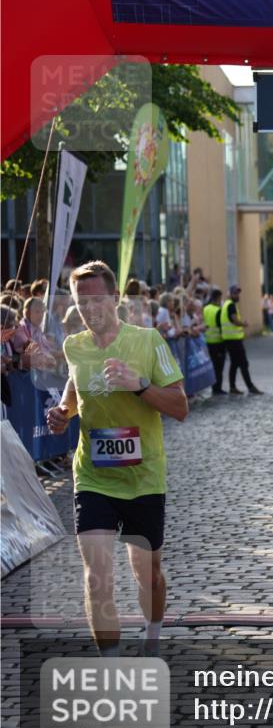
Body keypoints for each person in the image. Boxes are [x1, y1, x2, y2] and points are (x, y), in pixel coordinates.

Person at [46, 261, 188, 657]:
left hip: (144, 477)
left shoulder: (148, 341)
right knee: (97, 576)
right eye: (81, 301)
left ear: (114, 298)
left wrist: (139, 385)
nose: (90, 309)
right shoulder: (74, 346)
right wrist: (62, 413)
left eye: (97, 300)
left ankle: (153, 637)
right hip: (93, 476)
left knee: (148, 574)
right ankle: (109, 662)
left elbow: (180, 406)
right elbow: (75, 390)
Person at [221, 284, 263, 395]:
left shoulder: (226, 304)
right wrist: (243, 324)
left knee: (234, 363)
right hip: (234, 340)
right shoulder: (231, 305)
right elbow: (234, 320)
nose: (237, 295)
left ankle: (232, 387)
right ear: (230, 294)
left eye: (238, 293)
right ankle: (250, 386)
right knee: (243, 363)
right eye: (235, 293)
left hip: (230, 339)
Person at [203, 288, 226, 395]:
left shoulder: (205, 308)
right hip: (218, 342)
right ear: (218, 298)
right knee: (219, 367)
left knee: (212, 365)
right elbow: (221, 327)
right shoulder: (218, 310)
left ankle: (214, 387)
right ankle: (218, 388)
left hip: (208, 341)